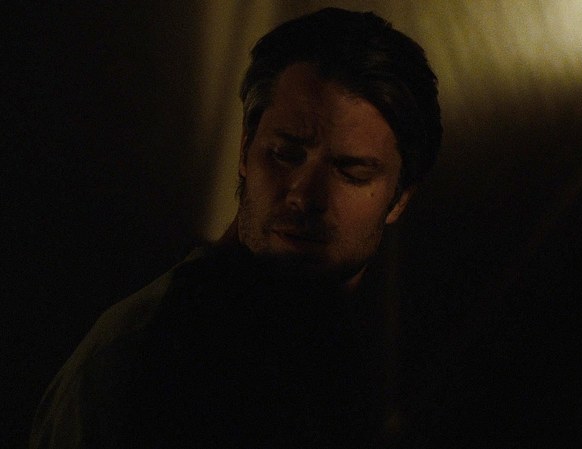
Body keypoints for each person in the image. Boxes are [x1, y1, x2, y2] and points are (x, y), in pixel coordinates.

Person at [30, 7, 442, 448]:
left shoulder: (343, 366)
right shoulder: (143, 352)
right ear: (246, 150)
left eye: (351, 172)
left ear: (400, 197)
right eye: (284, 154)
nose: (305, 195)